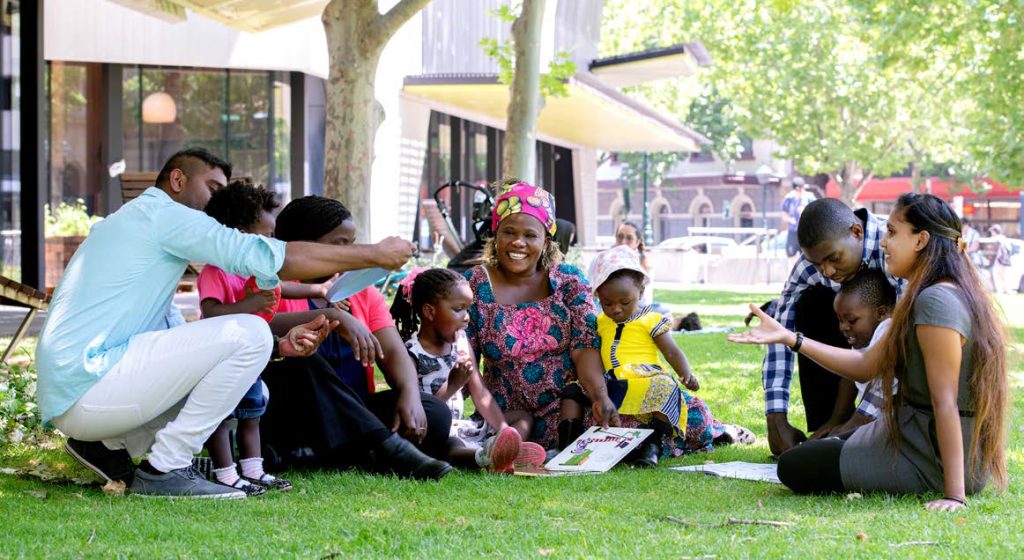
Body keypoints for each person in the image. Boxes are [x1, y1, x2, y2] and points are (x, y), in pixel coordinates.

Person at [39, 148, 415, 498]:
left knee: (250, 342)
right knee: (249, 328)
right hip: (89, 387)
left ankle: (105, 445)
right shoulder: (165, 216)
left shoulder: (140, 227)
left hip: (79, 394)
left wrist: (278, 347)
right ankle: (166, 468)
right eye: (212, 188)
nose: (217, 200)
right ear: (177, 181)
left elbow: (177, 342)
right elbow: (268, 258)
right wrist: (375, 254)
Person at [731, 193, 1009, 512]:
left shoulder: (935, 301)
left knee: (794, 466)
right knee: (806, 456)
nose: (885, 242)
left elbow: (944, 401)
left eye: (892, 232)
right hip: (911, 435)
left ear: (921, 241)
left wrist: (954, 494)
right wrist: (790, 338)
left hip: (931, 457)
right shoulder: (932, 292)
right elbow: (866, 366)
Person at [261, 195, 455, 480]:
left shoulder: (362, 292)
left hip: (355, 410)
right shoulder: (278, 286)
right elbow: (261, 324)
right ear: (307, 245)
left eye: (352, 243)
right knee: (303, 364)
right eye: (341, 244)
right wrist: (332, 317)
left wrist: (410, 395)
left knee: (435, 413)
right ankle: (384, 448)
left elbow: (392, 350)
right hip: (296, 413)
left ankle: (330, 452)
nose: (351, 253)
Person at [464, 181, 620, 449]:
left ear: (546, 241)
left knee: (628, 421)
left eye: (530, 235)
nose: (518, 242)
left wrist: (598, 396)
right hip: (505, 415)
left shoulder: (569, 281)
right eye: (509, 232)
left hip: (567, 409)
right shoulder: (475, 284)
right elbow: (466, 359)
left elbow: (585, 348)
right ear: (495, 234)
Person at [564, 245, 752, 466]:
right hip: (613, 384)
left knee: (664, 386)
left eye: (625, 302)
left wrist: (686, 374)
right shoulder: (600, 322)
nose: (616, 309)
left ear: (640, 293)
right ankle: (567, 445)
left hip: (647, 381)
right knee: (573, 389)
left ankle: (653, 446)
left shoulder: (651, 319)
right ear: (598, 297)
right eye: (607, 303)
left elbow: (671, 351)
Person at [756, 198, 904, 457]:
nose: (826, 270)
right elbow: (779, 331)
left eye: (833, 259)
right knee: (808, 303)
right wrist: (775, 417)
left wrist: (857, 423)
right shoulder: (812, 266)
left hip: (906, 366)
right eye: (817, 264)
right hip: (858, 364)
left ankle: (863, 429)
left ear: (856, 232)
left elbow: (903, 341)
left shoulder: (894, 248)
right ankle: (826, 425)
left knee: (898, 326)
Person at [389, 267, 545, 472]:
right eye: (458, 309)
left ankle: (505, 449)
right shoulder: (412, 353)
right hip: (432, 430)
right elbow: (420, 410)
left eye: (468, 308)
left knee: (522, 417)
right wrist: (454, 384)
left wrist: (503, 430)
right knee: (452, 444)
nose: (466, 317)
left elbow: (480, 393)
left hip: (460, 425)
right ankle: (485, 457)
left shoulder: (461, 344)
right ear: (429, 311)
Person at [196, 179, 294, 495]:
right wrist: (248, 305)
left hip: (248, 358)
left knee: (252, 414)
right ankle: (225, 474)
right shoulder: (215, 271)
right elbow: (210, 312)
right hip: (219, 359)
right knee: (221, 417)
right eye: (265, 236)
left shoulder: (253, 269)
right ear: (237, 233)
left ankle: (254, 470)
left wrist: (318, 289)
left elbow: (284, 286)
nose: (270, 242)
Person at [810, 269, 895, 439]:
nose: (843, 327)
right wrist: (834, 422)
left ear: (881, 313)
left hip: (887, 429)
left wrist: (850, 426)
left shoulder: (887, 330)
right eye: (840, 320)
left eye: (851, 320)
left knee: (798, 460)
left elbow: (880, 389)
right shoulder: (863, 337)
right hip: (868, 426)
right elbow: (849, 377)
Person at [780, 177, 815, 258]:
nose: (799, 191)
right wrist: (789, 219)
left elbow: (816, 214)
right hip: (793, 231)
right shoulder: (789, 198)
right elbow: (783, 213)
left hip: (806, 232)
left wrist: (805, 211)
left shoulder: (810, 198)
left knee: (806, 257)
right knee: (790, 254)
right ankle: (793, 270)